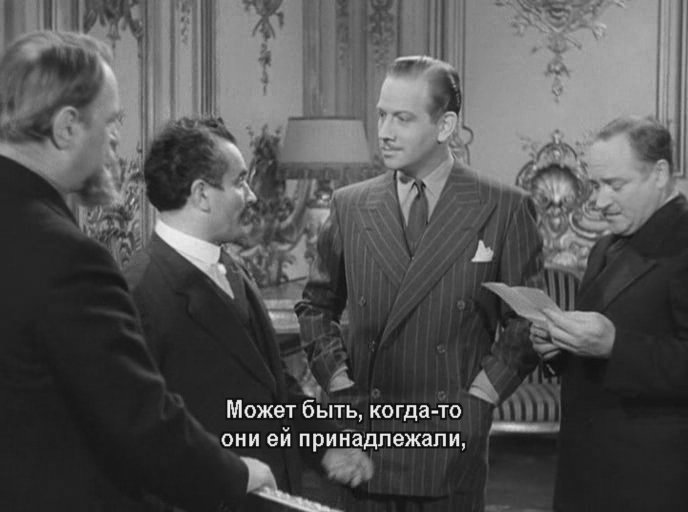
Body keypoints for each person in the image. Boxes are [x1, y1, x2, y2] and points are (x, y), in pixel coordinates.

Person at [0, 30, 276, 512]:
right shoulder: (68, 257)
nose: (115, 141)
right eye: (110, 122)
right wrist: (235, 475)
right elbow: (138, 418)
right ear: (67, 127)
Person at [295, 55, 544, 511]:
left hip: (449, 441)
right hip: (363, 435)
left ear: (445, 125)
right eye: (381, 115)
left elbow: (525, 322)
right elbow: (316, 306)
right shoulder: (351, 205)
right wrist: (338, 380)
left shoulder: (504, 206)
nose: (384, 132)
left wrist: (481, 396)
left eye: (402, 119)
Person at [124, 116, 374, 511]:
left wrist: (325, 442)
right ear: (202, 194)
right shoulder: (138, 293)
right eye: (240, 181)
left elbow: (271, 383)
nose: (253, 196)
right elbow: (141, 438)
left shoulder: (232, 268)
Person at [531, 116, 688, 511]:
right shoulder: (606, 246)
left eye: (615, 185)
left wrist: (615, 346)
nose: (599, 202)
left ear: (659, 174)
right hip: (586, 470)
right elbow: (595, 346)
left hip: (651, 480)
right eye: (596, 185)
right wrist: (559, 347)